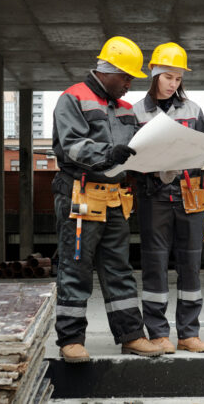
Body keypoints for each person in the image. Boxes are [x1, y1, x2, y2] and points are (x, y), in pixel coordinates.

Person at [51, 35, 164, 363]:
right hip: (80, 195)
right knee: (76, 268)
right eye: (127, 77)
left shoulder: (127, 109)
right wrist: (108, 152)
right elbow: (71, 146)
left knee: (119, 269)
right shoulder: (73, 98)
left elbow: (136, 147)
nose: (130, 84)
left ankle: (131, 335)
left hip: (114, 198)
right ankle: (70, 340)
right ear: (108, 70)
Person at [132, 42, 204, 354]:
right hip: (153, 196)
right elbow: (129, 160)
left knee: (190, 263)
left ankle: (188, 333)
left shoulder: (192, 110)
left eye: (178, 78)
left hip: (190, 195)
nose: (174, 83)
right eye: (168, 77)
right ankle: (158, 333)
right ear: (155, 73)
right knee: (155, 264)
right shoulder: (136, 112)